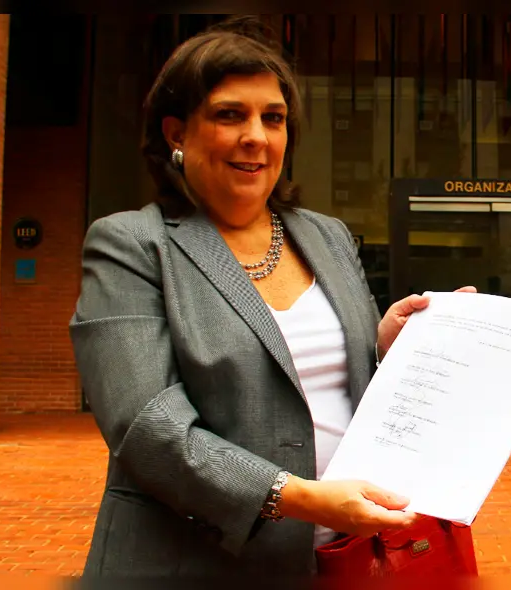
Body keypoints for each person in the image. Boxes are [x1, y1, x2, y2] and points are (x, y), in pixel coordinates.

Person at [69, 16, 474, 578]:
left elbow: (329, 382)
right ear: (176, 133)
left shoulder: (326, 235)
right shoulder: (132, 245)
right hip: (193, 560)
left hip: (341, 556)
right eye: (229, 114)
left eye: (273, 118)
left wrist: (386, 348)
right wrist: (302, 499)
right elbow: (148, 428)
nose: (256, 136)